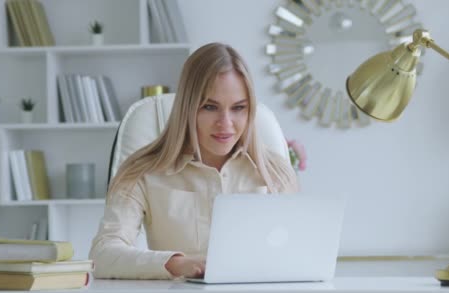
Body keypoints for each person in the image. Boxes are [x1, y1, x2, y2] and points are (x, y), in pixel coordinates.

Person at [89, 43, 299, 280]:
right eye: (210, 107)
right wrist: (175, 264)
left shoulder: (275, 172)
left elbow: (296, 254)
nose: (226, 124)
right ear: (187, 108)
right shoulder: (141, 172)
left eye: (239, 108)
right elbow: (103, 255)